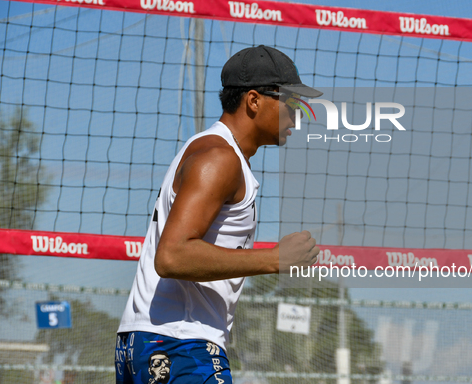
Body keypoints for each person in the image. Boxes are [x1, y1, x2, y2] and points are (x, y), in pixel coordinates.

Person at [115, 45, 323, 384]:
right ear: (254, 100)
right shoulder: (219, 157)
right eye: (292, 102)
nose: (299, 115)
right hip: (179, 342)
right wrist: (274, 259)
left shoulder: (214, 152)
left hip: (153, 341)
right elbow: (172, 256)